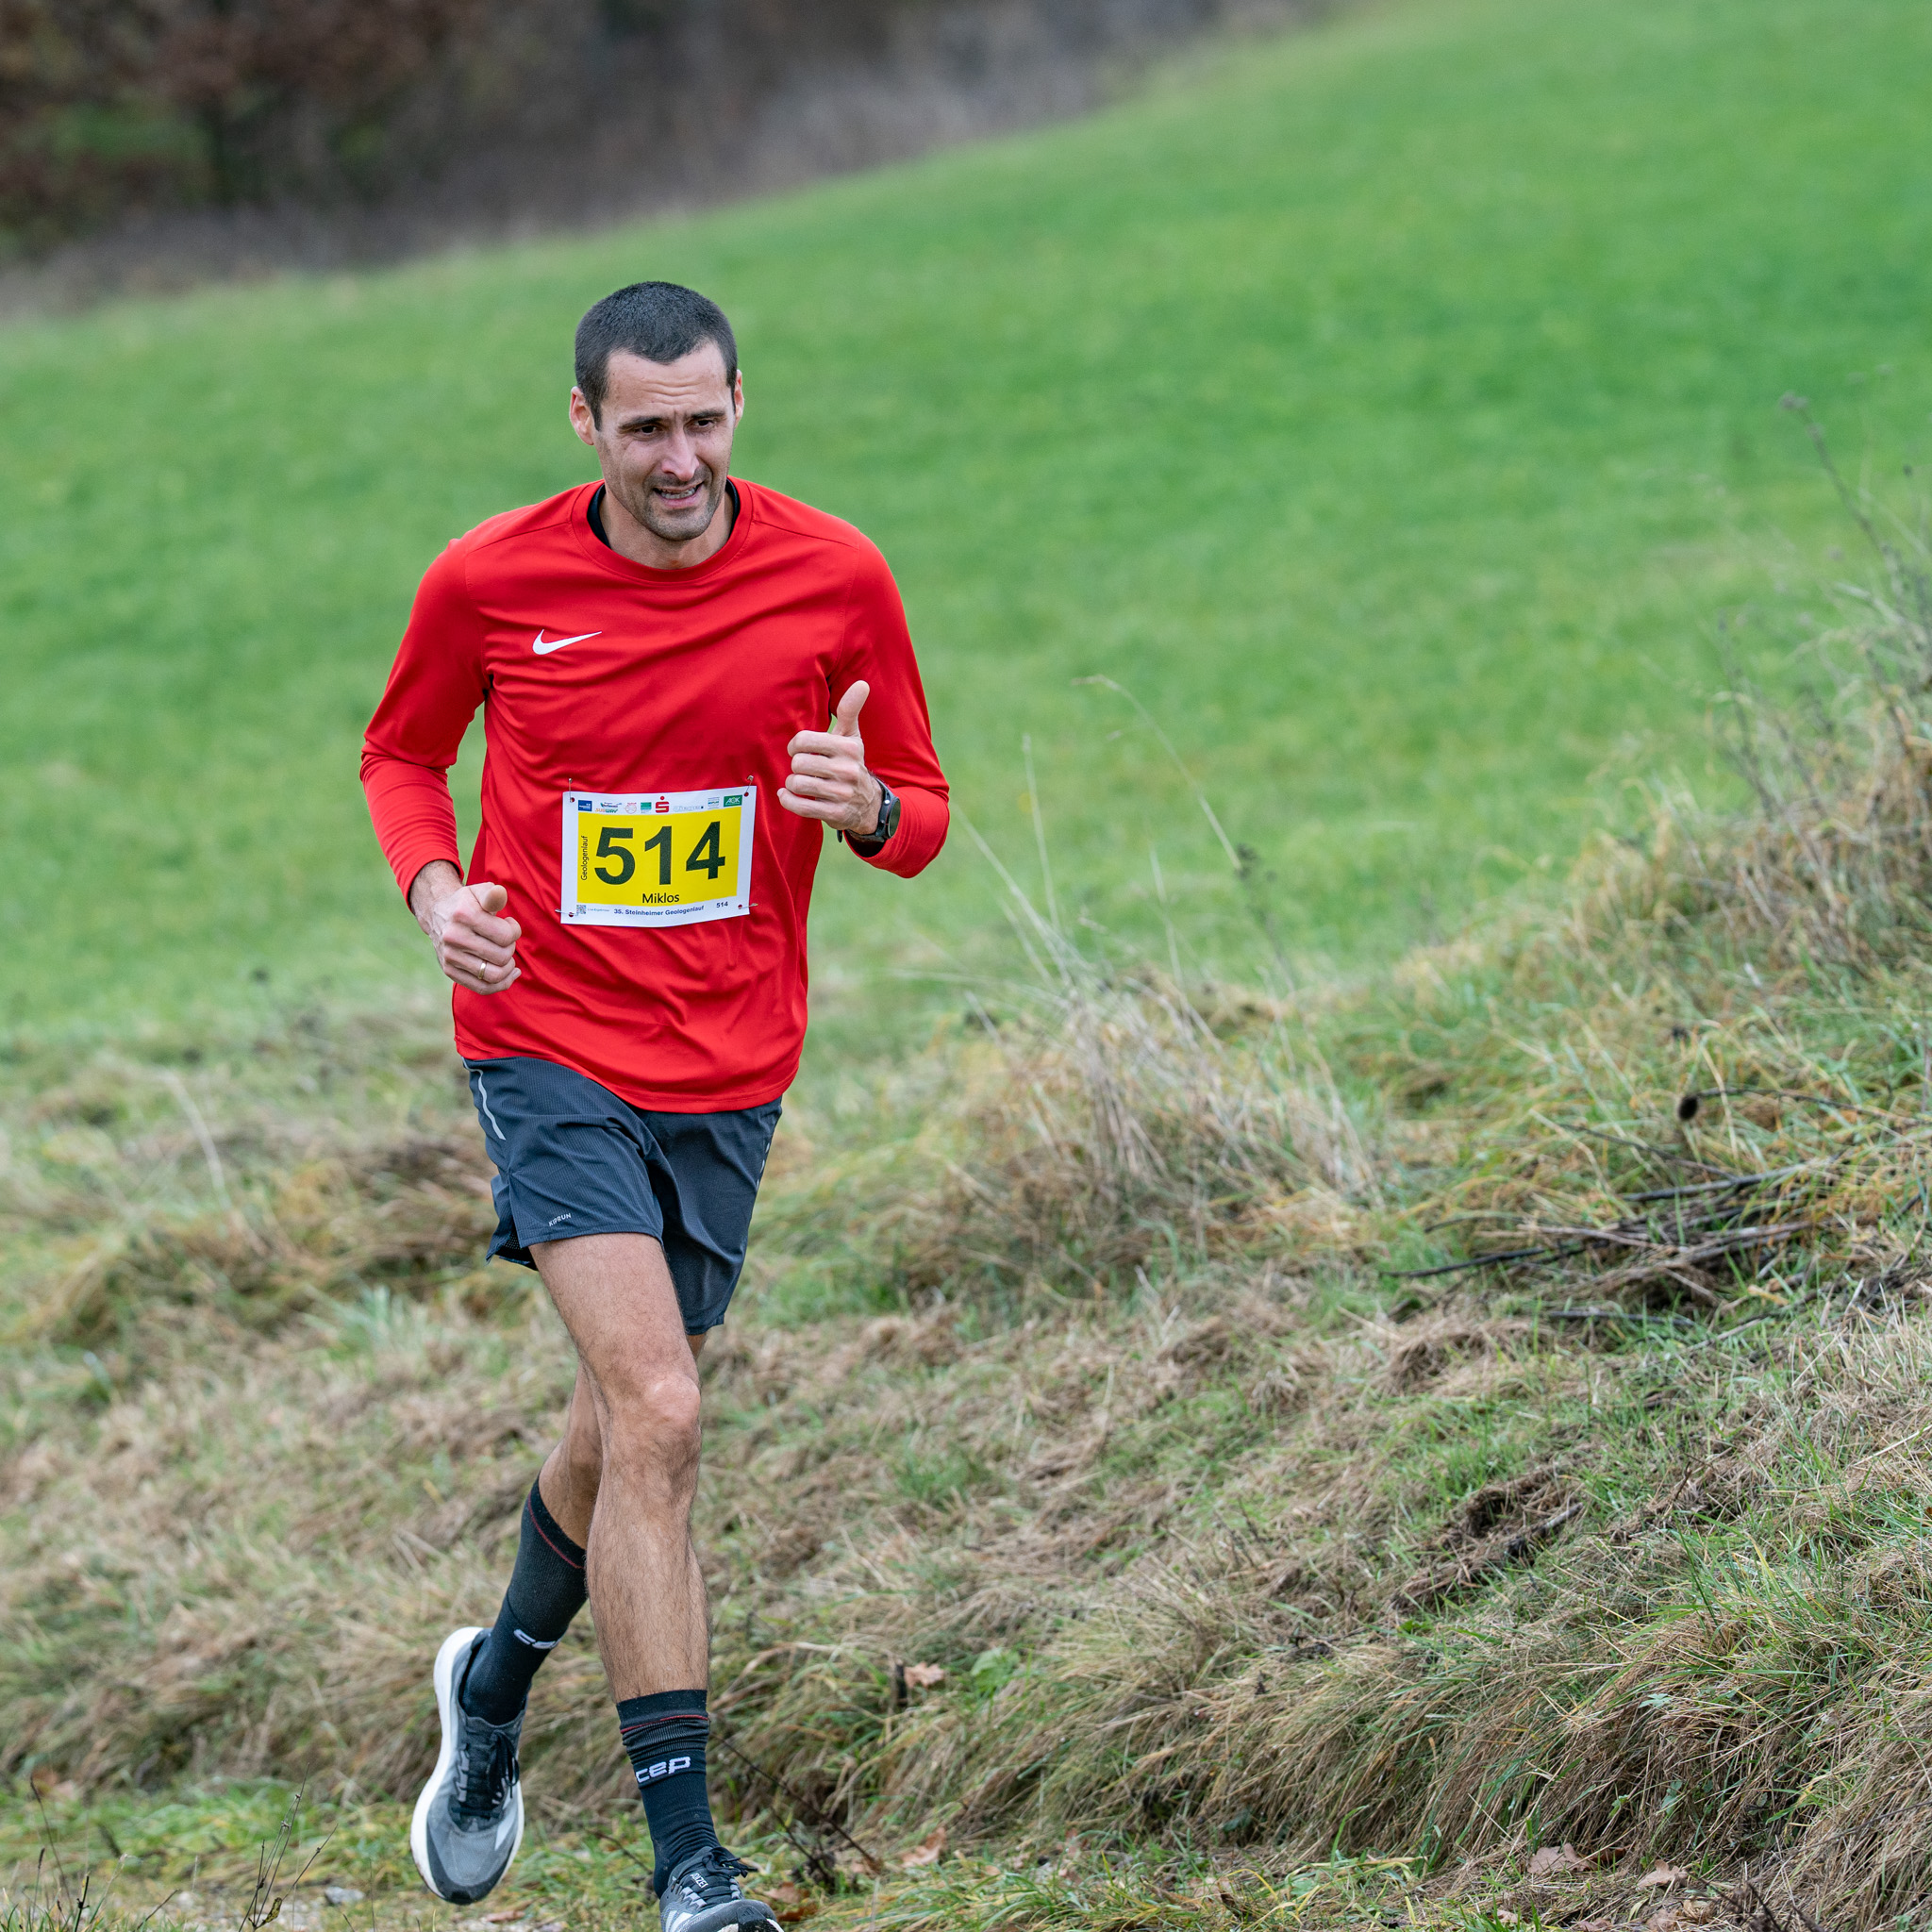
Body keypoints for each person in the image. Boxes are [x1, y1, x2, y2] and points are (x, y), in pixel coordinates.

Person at [360, 280, 948, 1932]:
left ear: (740, 405)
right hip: (544, 1039)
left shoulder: (839, 576)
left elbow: (922, 820)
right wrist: (436, 896)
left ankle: (489, 1695)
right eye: (644, 429)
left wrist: (866, 803)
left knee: (624, 1425)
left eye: (703, 422)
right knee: (667, 1411)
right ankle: (692, 1868)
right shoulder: (491, 579)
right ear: (587, 426)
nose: (679, 459)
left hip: (733, 1067)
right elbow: (401, 755)